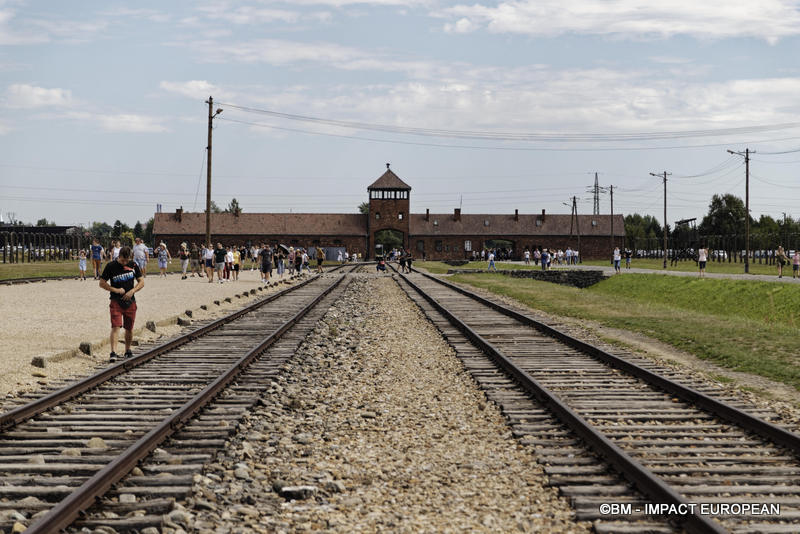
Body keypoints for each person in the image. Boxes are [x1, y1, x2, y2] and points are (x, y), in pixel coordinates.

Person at [99, 246, 144, 362]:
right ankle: (113, 352)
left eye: (126, 260)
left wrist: (133, 291)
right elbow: (102, 283)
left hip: (130, 302)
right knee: (116, 326)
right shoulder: (111, 266)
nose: (124, 263)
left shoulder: (133, 265)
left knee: (129, 328)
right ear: (118, 257)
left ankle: (127, 350)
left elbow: (141, 282)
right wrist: (115, 290)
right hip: (116, 301)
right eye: (122, 260)